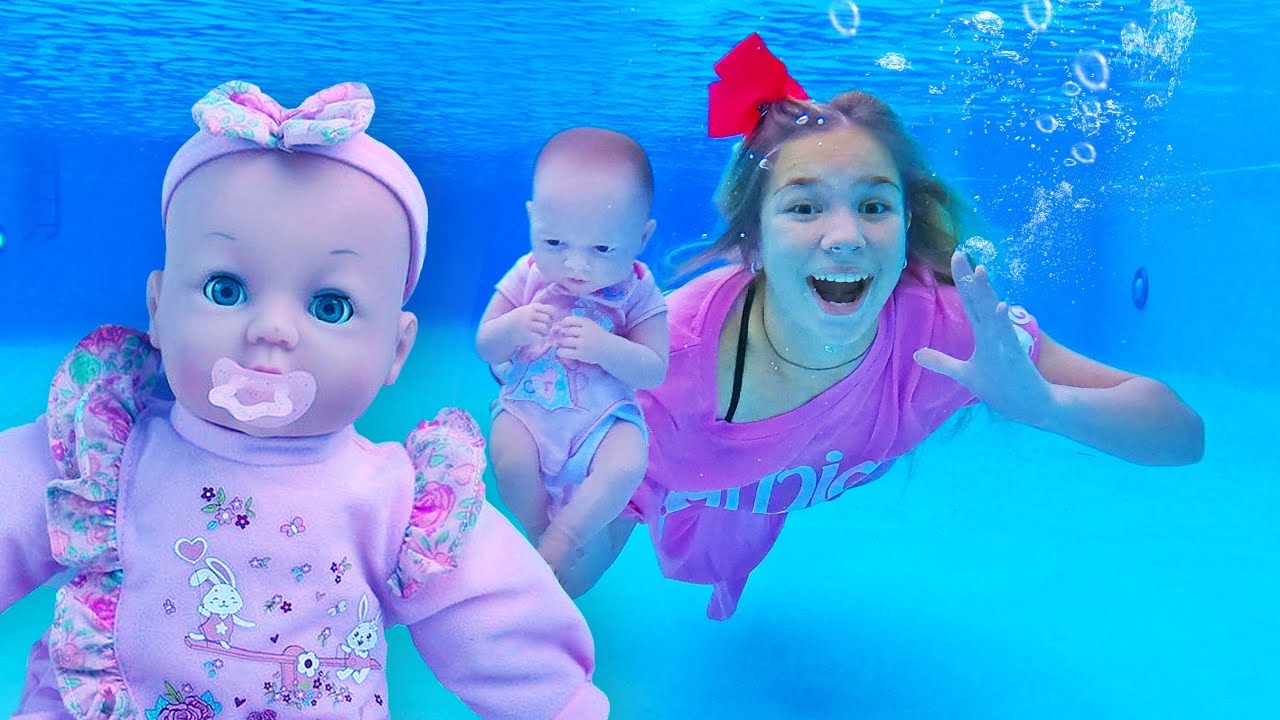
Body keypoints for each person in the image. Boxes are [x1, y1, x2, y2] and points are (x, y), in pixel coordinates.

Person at [0, 81, 607, 719]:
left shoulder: (397, 502)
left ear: (395, 351)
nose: (273, 329)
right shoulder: (108, 459)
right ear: (157, 309)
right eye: (226, 289)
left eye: (330, 306)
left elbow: (497, 611)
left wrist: (561, 705)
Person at [559, 34, 1205, 619]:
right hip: (702, 492)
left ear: (904, 231)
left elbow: (1182, 434)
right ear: (752, 243)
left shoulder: (943, 330)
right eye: (805, 206)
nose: (845, 238)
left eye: (874, 205)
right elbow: (583, 546)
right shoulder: (664, 364)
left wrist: (1046, 405)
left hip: (760, 486)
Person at [476, 127, 669, 582]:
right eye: (554, 243)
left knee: (626, 464)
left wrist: (606, 347)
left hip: (604, 421)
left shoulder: (638, 291)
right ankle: (539, 526)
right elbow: (486, 343)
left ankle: (568, 533)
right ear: (532, 219)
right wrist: (514, 325)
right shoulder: (527, 275)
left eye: (603, 249)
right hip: (528, 409)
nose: (576, 266)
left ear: (642, 237)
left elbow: (654, 369)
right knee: (510, 459)